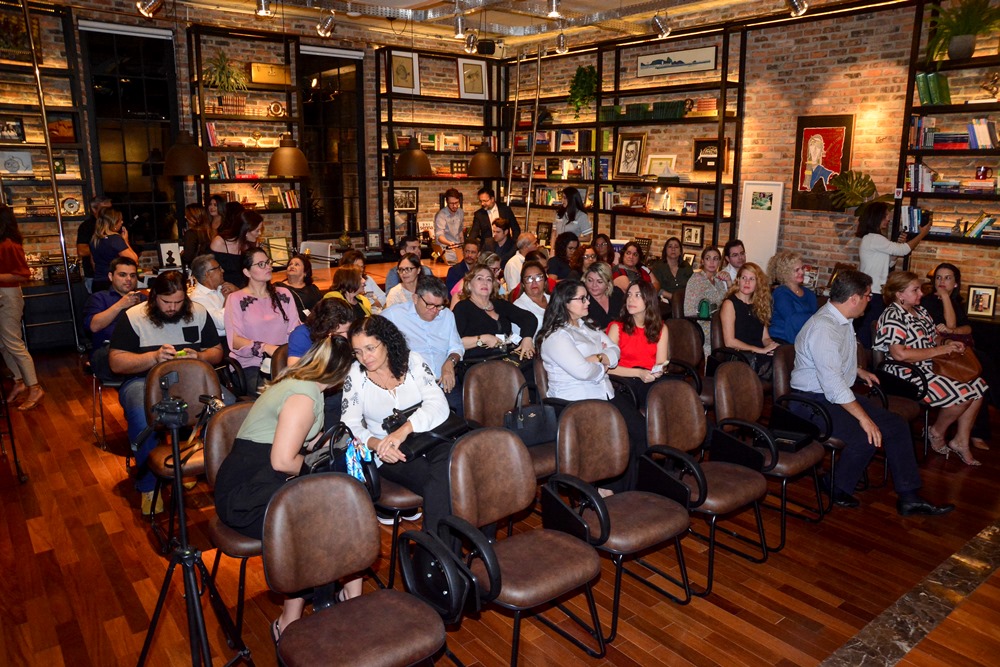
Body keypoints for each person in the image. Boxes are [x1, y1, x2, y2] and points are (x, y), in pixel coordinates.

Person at [214, 335, 357, 638]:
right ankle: (289, 619)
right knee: (313, 523)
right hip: (246, 492)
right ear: (341, 373)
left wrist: (327, 449)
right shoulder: (304, 397)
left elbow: (300, 443)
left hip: (259, 477)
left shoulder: (302, 384)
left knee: (338, 508)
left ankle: (346, 597)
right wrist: (317, 468)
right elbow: (282, 461)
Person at [789, 269, 954, 516]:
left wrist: (857, 370)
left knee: (896, 425)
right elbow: (833, 386)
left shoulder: (841, 319)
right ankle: (835, 485)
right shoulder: (825, 328)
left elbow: (829, 363)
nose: (870, 300)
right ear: (853, 299)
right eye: (867, 295)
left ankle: (909, 498)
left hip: (829, 394)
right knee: (865, 433)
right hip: (810, 402)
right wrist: (864, 419)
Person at [108, 271, 223, 514]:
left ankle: (195, 467)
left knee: (227, 409)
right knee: (142, 415)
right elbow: (116, 362)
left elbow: (216, 351)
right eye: (166, 302)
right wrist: (153, 357)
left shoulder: (198, 312)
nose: (172, 308)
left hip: (192, 380)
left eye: (178, 302)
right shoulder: (134, 317)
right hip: (142, 380)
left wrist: (200, 356)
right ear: (153, 297)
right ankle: (149, 485)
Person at [342, 315, 452, 532]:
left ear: (386, 341)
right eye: (358, 352)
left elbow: (438, 404)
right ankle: (444, 548)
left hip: (427, 438)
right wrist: (377, 444)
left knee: (454, 472)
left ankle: (434, 550)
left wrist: (404, 430)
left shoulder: (412, 361)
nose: (365, 357)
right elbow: (349, 424)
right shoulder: (355, 375)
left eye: (370, 348)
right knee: (445, 485)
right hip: (388, 451)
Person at [537, 279, 645, 492]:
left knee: (641, 432)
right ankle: (609, 491)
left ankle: (632, 491)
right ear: (565, 303)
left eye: (587, 298)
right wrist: (602, 362)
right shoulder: (556, 337)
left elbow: (615, 351)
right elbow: (583, 372)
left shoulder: (587, 327)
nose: (588, 302)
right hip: (577, 402)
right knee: (625, 443)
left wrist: (598, 358)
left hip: (604, 393)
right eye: (582, 299)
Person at [875, 271, 988, 466]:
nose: (921, 293)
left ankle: (960, 441)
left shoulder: (920, 311)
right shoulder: (893, 315)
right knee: (964, 394)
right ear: (900, 294)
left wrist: (947, 342)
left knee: (978, 386)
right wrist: (939, 350)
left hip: (927, 366)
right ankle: (936, 432)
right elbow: (899, 354)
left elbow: (933, 337)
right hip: (904, 373)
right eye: (915, 290)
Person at [383, 275, 465, 414]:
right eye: (430, 305)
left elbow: (456, 347)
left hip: (443, 383)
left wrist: (450, 362)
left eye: (439, 306)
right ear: (415, 298)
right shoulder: (394, 315)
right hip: (412, 388)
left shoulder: (446, 315)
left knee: (463, 418)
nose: (435, 310)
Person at [225, 249, 301, 394]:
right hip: (251, 364)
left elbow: (295, 329)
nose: (268, 267)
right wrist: (265, 347)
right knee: (274, 394)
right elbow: (235, 341)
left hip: (284, 360)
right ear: (247, 272)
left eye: (268, 262)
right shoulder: (235, 299)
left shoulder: (283, 294)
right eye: (261, 264)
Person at [855, 201, 930, 347]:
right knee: (868, 331)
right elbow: (904, 250)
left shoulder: (873, 239)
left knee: (870, 329)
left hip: (874, 291)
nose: (888, 219)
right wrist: (922, 234)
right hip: (873, 291)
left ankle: (867, 356)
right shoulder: (874, 238)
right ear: (877, 217)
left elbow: (889, 263)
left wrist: (898, 247)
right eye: (885, 216)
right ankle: (865, 357)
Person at [0, 204, 44, 411]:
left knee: (13, 342)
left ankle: (34, 387)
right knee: (3, 344)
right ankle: (19, 381)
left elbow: (22, 274)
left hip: (8, 296)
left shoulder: (9, 245)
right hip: (4, 295)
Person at [453, 265, 536, 362]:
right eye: (479, 278)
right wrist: (483, 339)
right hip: (476, 362)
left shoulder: (500, 304)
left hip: (505, 358)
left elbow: (529, 318)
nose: (485, 283)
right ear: (469, 285)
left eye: (489, 279)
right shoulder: (462, 308)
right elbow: (455, 342)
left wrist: (527, 338)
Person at [607, 280, 668, 407]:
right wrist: (639, 373)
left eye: (637, 295)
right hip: (626, 381)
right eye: (629, 295)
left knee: (679, 392)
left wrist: (659, 371)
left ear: (649, 300)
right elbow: (607, 369)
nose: (630, 299)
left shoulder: (660, 328)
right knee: (660, 401)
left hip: (650, 378)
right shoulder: (616, 328)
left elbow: (661, 362)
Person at [720, 263, 779, 379]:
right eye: (744, 278)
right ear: (738, 280)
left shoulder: (759, 305)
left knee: (782, 360)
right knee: (777, 369)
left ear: (757, 283)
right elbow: (729, 342)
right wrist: (760, 350)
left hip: (757, 355)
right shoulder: (729, 304)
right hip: (738, 356)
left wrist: (771, 346)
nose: (747, 282)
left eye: (752, 279)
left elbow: (765, 338)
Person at [83, 256, 146, 353]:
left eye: (133, 275)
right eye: (122, 275)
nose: (128, 279)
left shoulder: (143, 299)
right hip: (108, 349)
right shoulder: (99, 298)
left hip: (139, 347)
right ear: (110, 276)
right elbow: (94, 326)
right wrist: (120, 305)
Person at [684, 246, 732, 355]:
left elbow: (729, 303)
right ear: (702, 261)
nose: (712, 262)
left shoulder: (718, 280)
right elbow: (688, 311)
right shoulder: (696, 279)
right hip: (703, 325)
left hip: (719, 323)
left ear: (719, 262)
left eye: (715, 259)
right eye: (708, 258)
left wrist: (729, 282)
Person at [768, 250, 818, 345]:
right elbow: (792, 319)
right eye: (796, 270)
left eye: (802, 268)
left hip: (803, 340)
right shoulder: (781, 292)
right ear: (785, 273)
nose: (801, 272)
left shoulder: (809, 294)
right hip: (781, 340)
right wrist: (816, 318)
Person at [211, 205, 261, 288]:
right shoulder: (219, 242)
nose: (260, 233)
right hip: (223, 289)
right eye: (257, 230)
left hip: (247, 289)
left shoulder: (253, 244)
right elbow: (211, 274)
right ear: (246, 231)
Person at [90, 209, 138, 293]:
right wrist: (125, 241)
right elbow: (134, 260)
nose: (122, 222)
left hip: (98, 282)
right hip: (113, 284)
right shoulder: (115, 239)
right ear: (114, 222)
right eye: (120, 220)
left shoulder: (95, 239)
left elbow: (93, 263)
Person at [188, 254, 236, 338]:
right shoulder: (197, 298)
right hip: (220, 340)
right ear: (208, 274)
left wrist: (237, 291)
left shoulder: (222, 288)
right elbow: (222, 322)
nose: (222, 271)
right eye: (219, 268)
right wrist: (228, 299)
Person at [76, 195, 111, 292]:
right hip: (94, 276)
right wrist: (106, 247)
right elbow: (82, 251)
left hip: (113, 274)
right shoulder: (87, 226)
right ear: (94, 209)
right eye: (105, 209)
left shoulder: (112, 224)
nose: (108, 212)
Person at [276, 254, 322, 321]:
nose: (292, 266)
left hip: (313, 324)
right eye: (290, 264)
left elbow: (322, 309)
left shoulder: (313, 289)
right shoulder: (278, 287)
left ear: (305, 272)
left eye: (296, 264)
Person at [650, 237, 692, 305]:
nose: (673, 249)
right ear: (665, 250)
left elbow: (692, 286)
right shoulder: (658, 266)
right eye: (670, 246)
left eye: (676, 247)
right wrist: (674, 298)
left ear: (680, 251)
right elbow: (655, 287)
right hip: (664, 302)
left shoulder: (686, 266)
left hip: (685, 302)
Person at [584, 262, 626, 331]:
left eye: (599, 281)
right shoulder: (581, 300)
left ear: (608, 283)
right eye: (590, 280)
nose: (594, 285)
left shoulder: (616, 293)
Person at [511, 260, 550, 334]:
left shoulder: (553, 300)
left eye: (538, 277)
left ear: (545, 281)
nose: (534, 282)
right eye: (529, 279)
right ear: (523, 284)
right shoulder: (518, 307)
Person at [434, 188, 465, 264]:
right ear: (447, 202)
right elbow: (439, 236)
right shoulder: (441, 215)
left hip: (458, 249)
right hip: (446, 250)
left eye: (456, 203)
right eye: (451, 203)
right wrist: (449, 243)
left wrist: (463, 245)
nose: (454, 206)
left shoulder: (460, 212)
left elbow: (460, 231)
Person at [180, 203, 213, 269]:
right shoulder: (210, 231)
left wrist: (182, 255)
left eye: (187, 215)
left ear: (194, 217)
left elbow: (188, 257)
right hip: (209, 266)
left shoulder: (191, 234)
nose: (185, 217)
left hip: (197, 268)